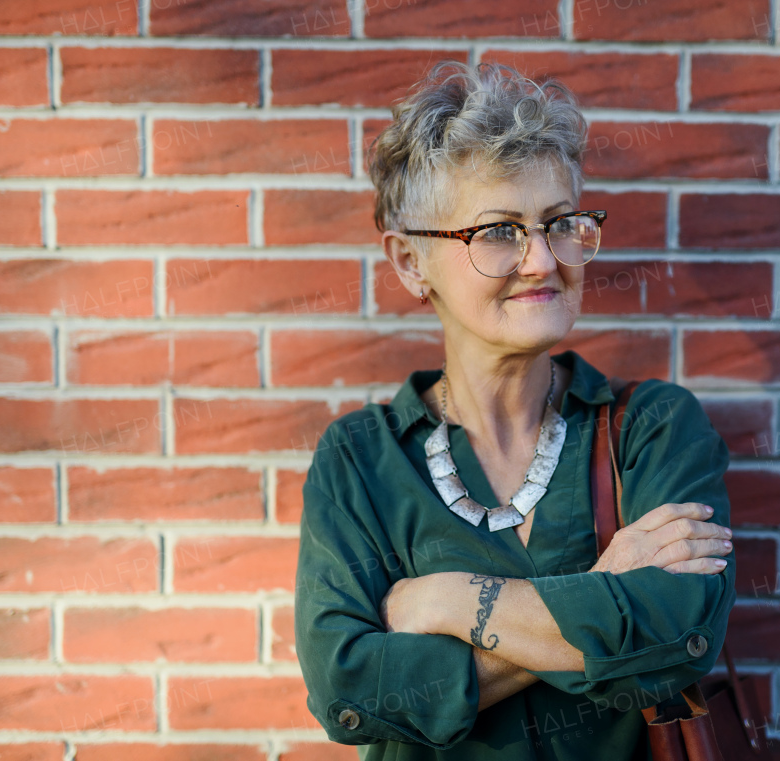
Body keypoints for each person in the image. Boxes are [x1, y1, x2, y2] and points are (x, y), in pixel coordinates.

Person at [294, 60, 736, 760]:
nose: (542, 260)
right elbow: (352, 693)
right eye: (499, 231)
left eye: (560, 223)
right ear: (411, 261)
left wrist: (445, 600)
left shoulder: (652, 427)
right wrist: (605, 590)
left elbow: (678, 635)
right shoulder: (360, 461)